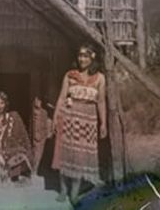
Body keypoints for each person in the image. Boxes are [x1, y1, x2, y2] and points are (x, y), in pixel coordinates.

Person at [52, 43, 107, 204]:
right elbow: (62, 98)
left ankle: (74, 192)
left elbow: (101, 102)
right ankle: (63, 190)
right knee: (65, 154)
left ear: (92, 58)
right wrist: (56, 117)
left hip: (88, 121)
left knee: (79, 157)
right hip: (68, 117)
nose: (82, 59)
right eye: (80, 56)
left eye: (85, 56)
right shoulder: (70, 75)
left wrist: (103, 123)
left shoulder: (100, 78)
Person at [0, 91, 33, 184]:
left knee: (19, 154)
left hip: (9, 151)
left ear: (5, 105)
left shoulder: (12, 118)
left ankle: (12, 173)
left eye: (2, 103)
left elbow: (19, 139)